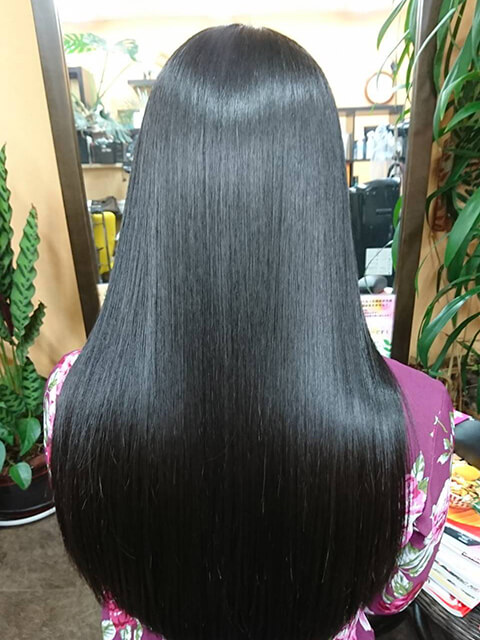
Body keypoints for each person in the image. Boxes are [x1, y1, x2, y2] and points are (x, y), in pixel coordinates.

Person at [44, 24, 454, 640]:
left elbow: (109, 575)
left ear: (153, 185)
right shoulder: (417, 417)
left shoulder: (72, 396)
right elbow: (394, 595)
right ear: (320, 197)